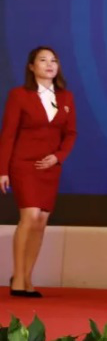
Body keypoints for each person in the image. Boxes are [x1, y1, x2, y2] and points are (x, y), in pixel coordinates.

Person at [0, 46, 78, 298]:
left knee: (41, 222)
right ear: (31, 67)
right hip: (24, 164)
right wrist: (3, 170)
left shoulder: (66, 98)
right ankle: (18, 278)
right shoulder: (19, 95)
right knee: (30, 216)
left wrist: (58, 157)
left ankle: (27, 277)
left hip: (50, 167)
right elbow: (8, 134)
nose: (49, 64)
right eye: (43, 60)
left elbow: (70, 134)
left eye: (53, 60)